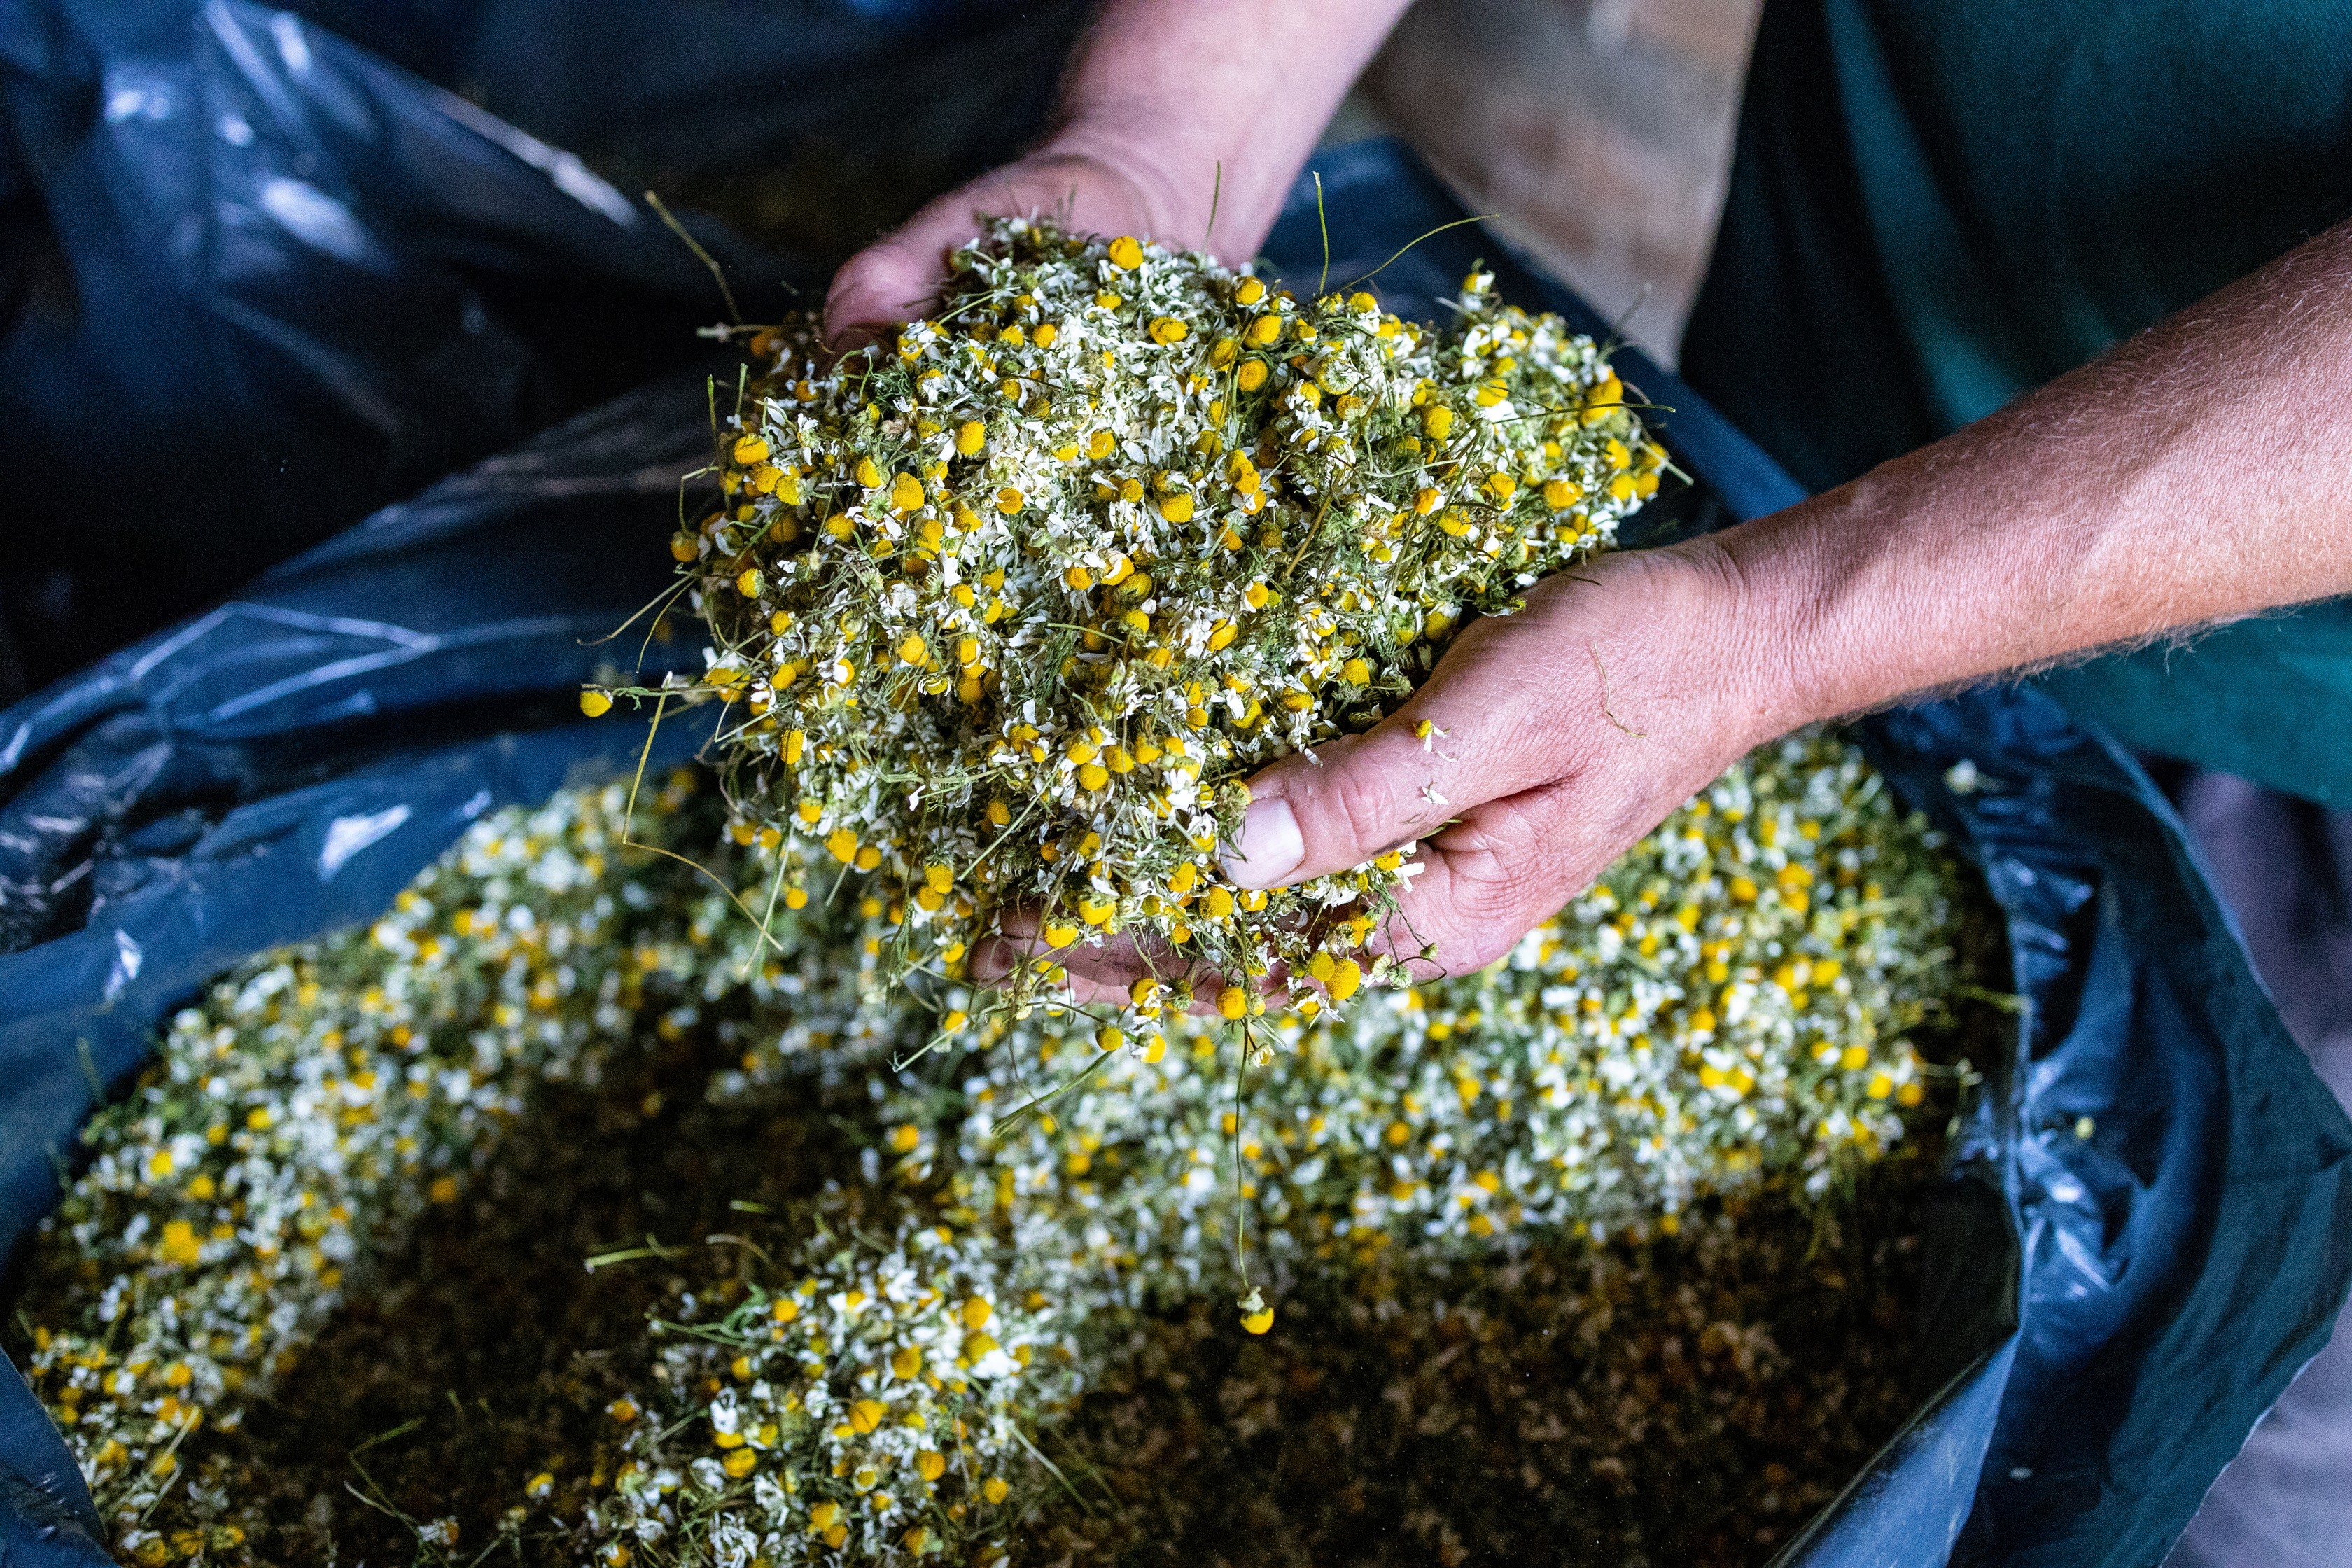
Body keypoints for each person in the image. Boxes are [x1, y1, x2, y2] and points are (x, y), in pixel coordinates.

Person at [820, 2, 2352, 1562]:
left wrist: (1772, 632)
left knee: (2240, 1351)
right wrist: (1160, 137)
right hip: (1849, 381)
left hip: (2314, 699)